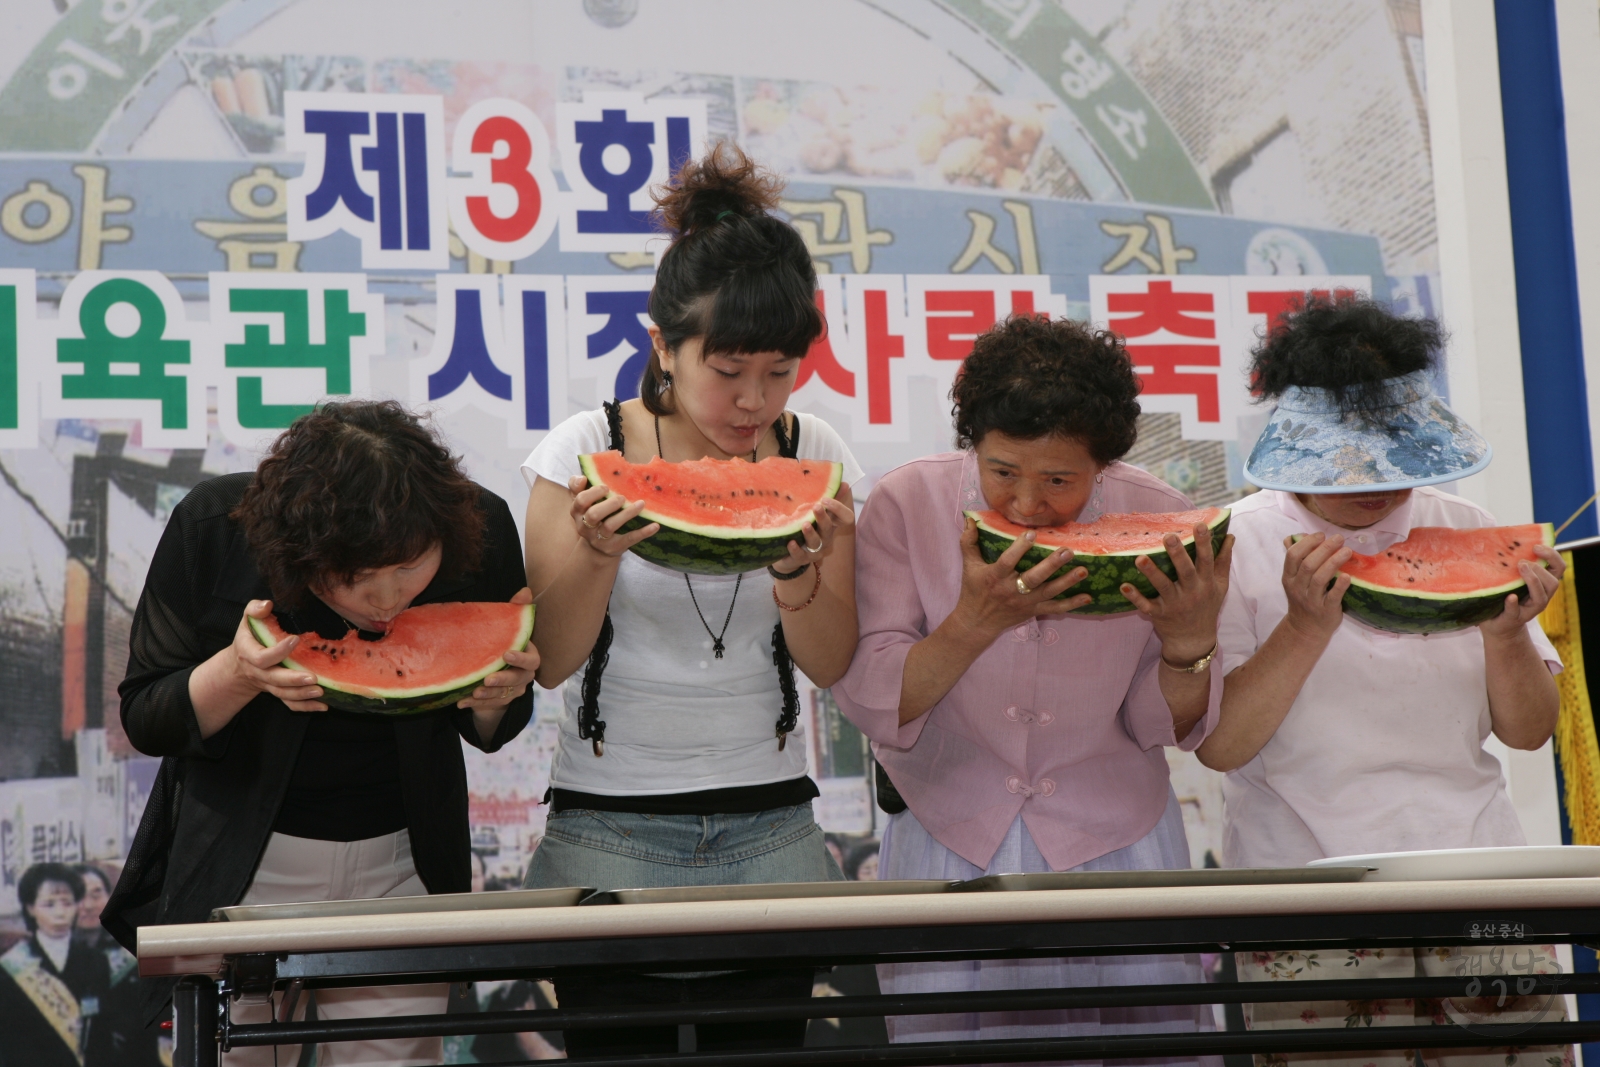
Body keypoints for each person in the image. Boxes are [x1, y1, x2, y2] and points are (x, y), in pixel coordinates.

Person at [520, 143, 861, 1059]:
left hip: (775, 828)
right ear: (663, 345)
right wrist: (595, 554)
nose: (755, 400)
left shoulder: (814, 447)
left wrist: (799, 573)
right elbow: (547, 660)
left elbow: (830, 661)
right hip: (607, 829)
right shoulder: (582, 450)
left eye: (781, 371)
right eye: (729, 368)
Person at [832, 313, 1231, 1058]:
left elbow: (1161, 725)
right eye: (1001, 471)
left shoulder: (1166, 521)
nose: (1024, 504)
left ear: (1103, 466)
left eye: (1059, 481)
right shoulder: (902, 505)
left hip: (1118, 843)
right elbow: (876, 700)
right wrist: (972, 621)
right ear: (973, 444)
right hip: (949, 839)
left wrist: (1187, 645)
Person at [104, 400, 537, 1067]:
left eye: (410, 567)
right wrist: (238, 673)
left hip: (405, 867)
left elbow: (493, 728)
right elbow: (145, 714)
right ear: (299, 550)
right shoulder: (214, 528)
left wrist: (496, 695)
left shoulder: (478, 527)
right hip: (243, 871)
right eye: (356, 577)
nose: (387, 599)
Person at [1201, 297, 1568, 1066]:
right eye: (1349, 463)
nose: (1377, 487)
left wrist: (1504, 633)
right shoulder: (1237, 545)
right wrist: (1304, 625)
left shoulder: (1463, 521)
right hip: (1307, 899)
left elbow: (1530, 732)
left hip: (1477, 886)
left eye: (1396, 460)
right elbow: (1223, 745)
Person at [1, 863, 109, 1067]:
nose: (60, 913)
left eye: (67, 903)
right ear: (31, 908)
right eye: (49, 905)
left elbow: (101, 1035)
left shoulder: (96, 961)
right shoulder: (11, 969)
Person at [73, 864, 160, 1067]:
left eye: (96, 895)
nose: (88, 905)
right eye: (80, 897)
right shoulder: (55, 959)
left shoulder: (130, 950)